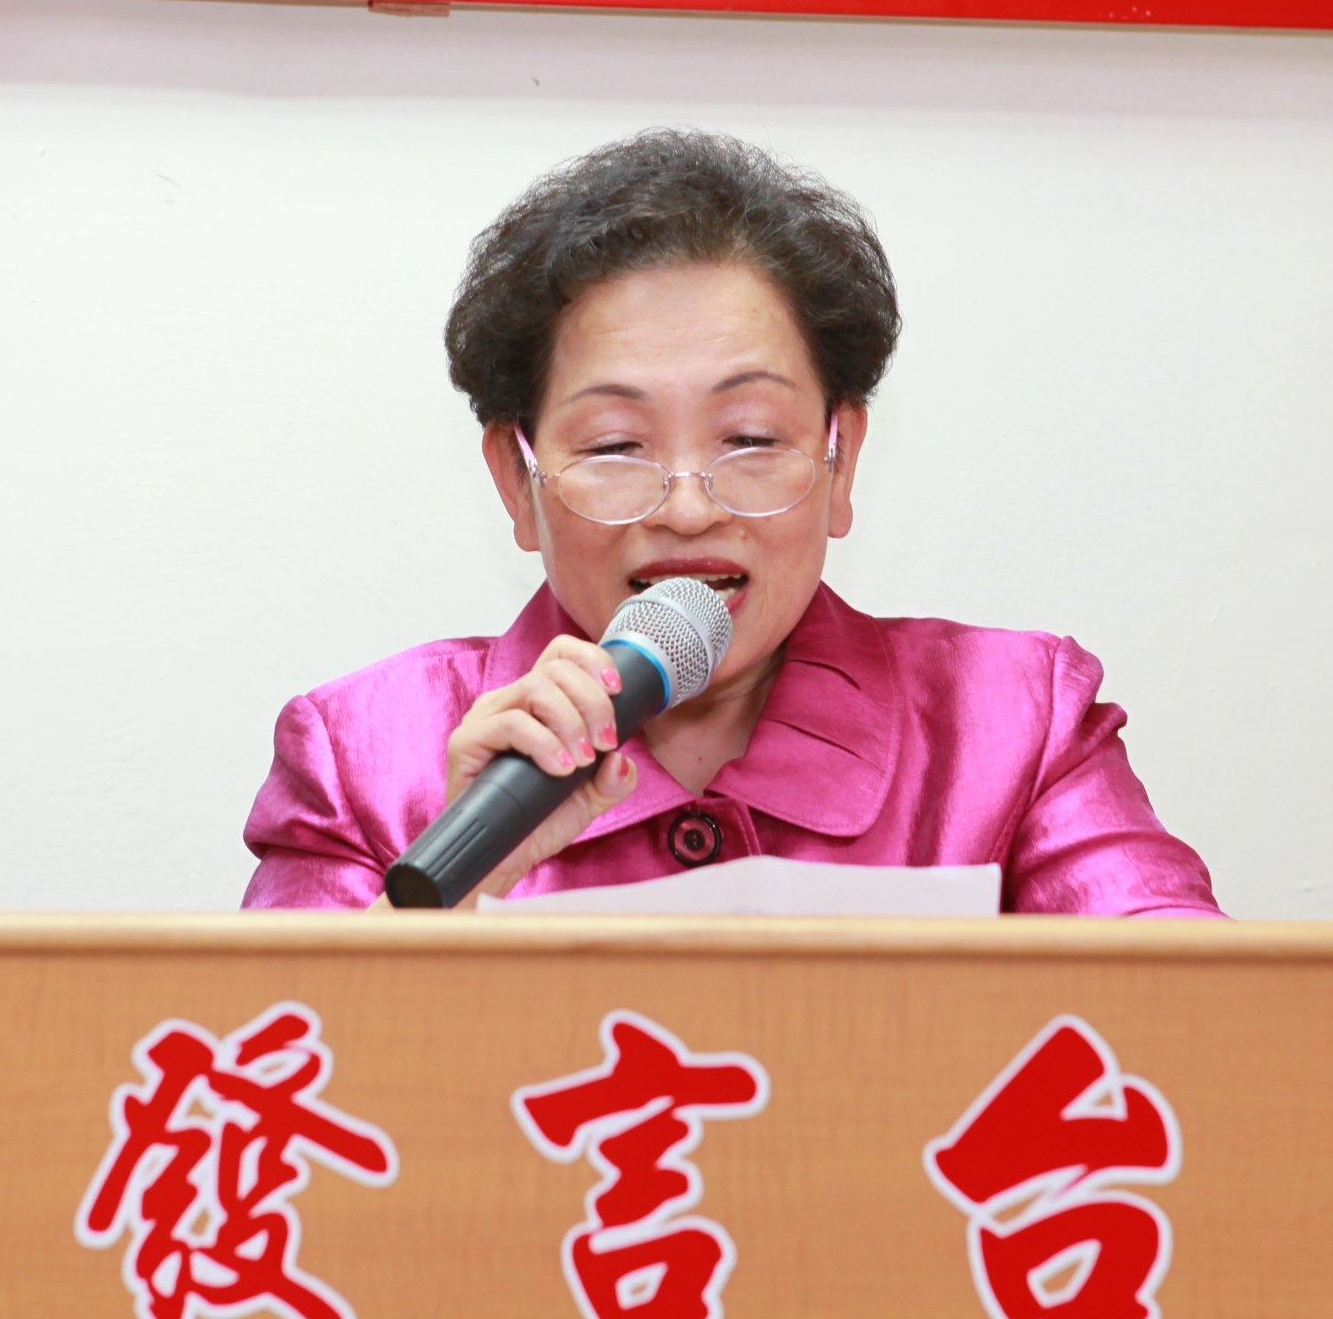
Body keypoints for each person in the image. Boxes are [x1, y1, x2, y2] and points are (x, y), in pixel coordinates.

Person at [242, 130, 1221, 916]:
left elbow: (1199, 1033)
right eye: (616, 445)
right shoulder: (362, 758)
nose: (688, 508)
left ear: (841, 461)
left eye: (751, 436)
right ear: (515, 480)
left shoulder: (1016, 726)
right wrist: (447, 898)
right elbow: (272, 1072)